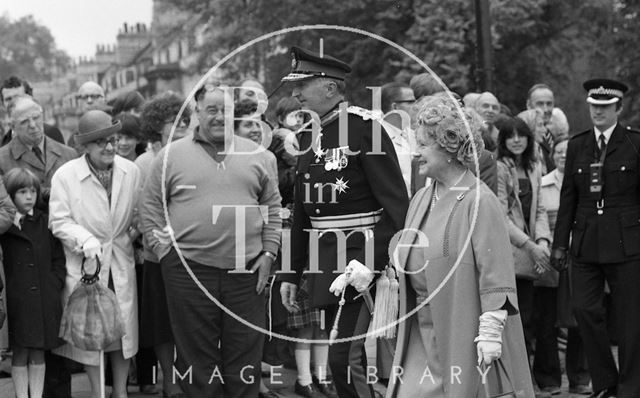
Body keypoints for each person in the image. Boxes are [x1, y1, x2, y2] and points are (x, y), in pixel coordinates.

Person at [278, 46, 409, 398]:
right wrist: (291, 272)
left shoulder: (366, 131)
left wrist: (370, 262)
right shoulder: (308, 136)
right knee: (339, 362)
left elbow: (397, 207)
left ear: (330, 88)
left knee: (343, 359)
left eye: (302, 85)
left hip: (357, 262)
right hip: (324, 266)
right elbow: (303, 211)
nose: (295, 93)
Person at [139, 84, 281, 398]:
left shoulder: (259, 156)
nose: (219, 116)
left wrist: (269, 252)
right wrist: (166, 254)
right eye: (211, 109)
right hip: (188, 271)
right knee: (195, 355)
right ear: (197, 113)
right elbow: (150, 209)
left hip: (247, 272)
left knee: (245, 350)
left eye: (225, 110)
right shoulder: (170, 157)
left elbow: (272, 207)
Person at [386, 95, 533, 397]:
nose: (416, 153)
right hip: (420, 335)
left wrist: (491, 331)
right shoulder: (421, 199)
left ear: (449, 148)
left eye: (424, 145)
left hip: (464, 333)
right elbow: (407, 257)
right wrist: (372, 272)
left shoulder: (480, 200)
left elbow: (497, 273)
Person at [551, 78, 640, 398]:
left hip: (626, 241)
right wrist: (560, 243)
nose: (597, 112)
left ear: (618, 108)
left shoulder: (634, 143)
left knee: (631, 319)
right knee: (585, 310)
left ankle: (630, 386)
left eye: (604, 107)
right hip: (586, 240)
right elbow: (568, 199)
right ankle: (605, 382)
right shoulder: (578, 144)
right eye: (593, 106)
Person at [49, 110, 140, 398]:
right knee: (92, 330)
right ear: (85, 146)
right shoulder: (66, 175)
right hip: (87, 264)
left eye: (112, 140)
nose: (110, 147)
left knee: (121, 328)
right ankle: (98, 391)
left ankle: (121, 392)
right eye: (101, 142)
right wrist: (84, 238)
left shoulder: (131, 171)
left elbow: (139, 213)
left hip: (121, 260)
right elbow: (58, 220)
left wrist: (136, 231)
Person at [136, 92, 191, 398]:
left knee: (189, 323)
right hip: (161, 255)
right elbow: (144, 210)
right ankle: (169, 381)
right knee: (162, 323)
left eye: (185, 119)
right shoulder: (147, 162)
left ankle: (187, 378)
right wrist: (161, 248)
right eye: (174, 121)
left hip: (194, 255)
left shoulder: (195, 155)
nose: (182, 126)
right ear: (158, 125)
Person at [495, 116, 552, 393]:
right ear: (503, 140)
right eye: (510, 136)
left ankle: (526, 381)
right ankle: (513, 382)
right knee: (510, 320)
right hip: (508, 254)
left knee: (529, 319)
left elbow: (540, 209)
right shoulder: (499, 168)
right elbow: (501, 215)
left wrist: (543, 241)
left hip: (531, 253)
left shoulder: (534, 166)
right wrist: (530, 245)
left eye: (521, 135)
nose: (516, 140)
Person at [0, 168, 65, 398]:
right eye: (22, 192)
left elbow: (58, 258)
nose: (29, 196)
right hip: (16, 299)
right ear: (9, 195)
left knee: (38, 351)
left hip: (44, 297)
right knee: (20, 351)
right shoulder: (5, 228)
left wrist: (54, 281)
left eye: (33, 191)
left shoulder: (44, 222)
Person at [539, 138, 591, 395]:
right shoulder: (542, 183)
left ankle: (579, 377)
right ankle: (549, 378)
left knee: (579, 317)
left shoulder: (588, 181)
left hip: (580, 256)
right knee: (549, 317)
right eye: (559, 151)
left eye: (567, 152)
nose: (563, 155)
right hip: (548, 256)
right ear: (553, 155)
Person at [0, 96, 77, 205]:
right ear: (13, 126)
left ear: (42, 116)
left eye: (36, 117)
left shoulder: (70, 154)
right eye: (24, 121)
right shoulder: (2, 161)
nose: (32, 125)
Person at [1, 76, 65, 145]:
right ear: (2, 105)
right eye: (8, 99)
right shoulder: (4, 141)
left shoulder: (50, 134)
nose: (13, 103)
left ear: (30, 99)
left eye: (18, 97)